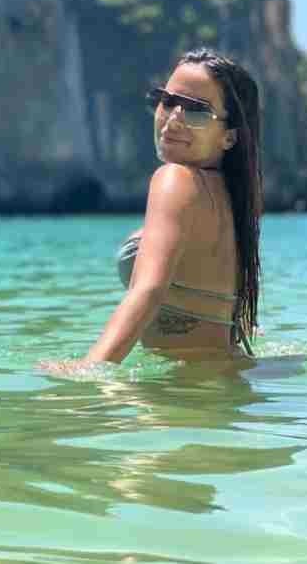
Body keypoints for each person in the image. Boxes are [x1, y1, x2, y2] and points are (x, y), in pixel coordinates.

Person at [47, 48, 262, 369]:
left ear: (229, 137)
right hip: (225, 378)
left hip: (185, 387)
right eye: (168, 101)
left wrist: (89, 370)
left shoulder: (175, 179)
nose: (173, 118)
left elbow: (148, 290)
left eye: (197, 110)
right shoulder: (233, 197)